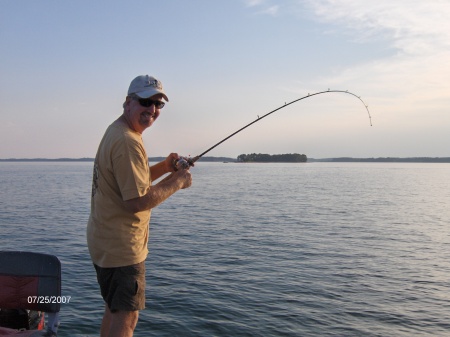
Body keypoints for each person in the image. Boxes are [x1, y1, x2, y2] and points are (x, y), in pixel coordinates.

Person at [87, 75, 192, 337]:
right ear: (128, 103)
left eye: (158, 105)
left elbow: (131, 181)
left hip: (105, 241)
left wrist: (166, 168)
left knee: (114, 308)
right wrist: (176, 181)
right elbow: (136, 201)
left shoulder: (118, 131)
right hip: (122, 248)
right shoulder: (128, 141)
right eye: (146, 102)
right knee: (127, 316)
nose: (152, 110)